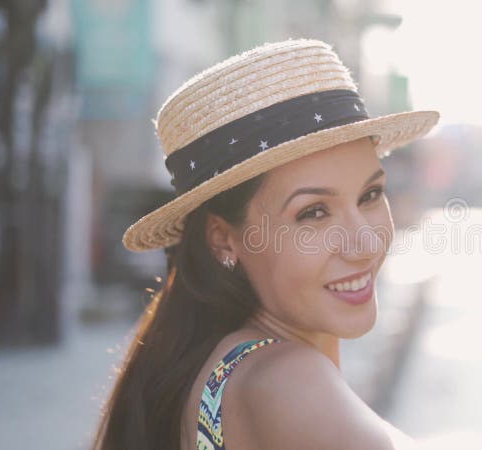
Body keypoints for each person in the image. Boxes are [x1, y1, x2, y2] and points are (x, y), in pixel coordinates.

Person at [91, 39, 439, 450]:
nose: (364, 243)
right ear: (223, 238)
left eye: (370, 195)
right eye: (313, 213)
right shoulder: (288, 379)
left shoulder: (221, 371)